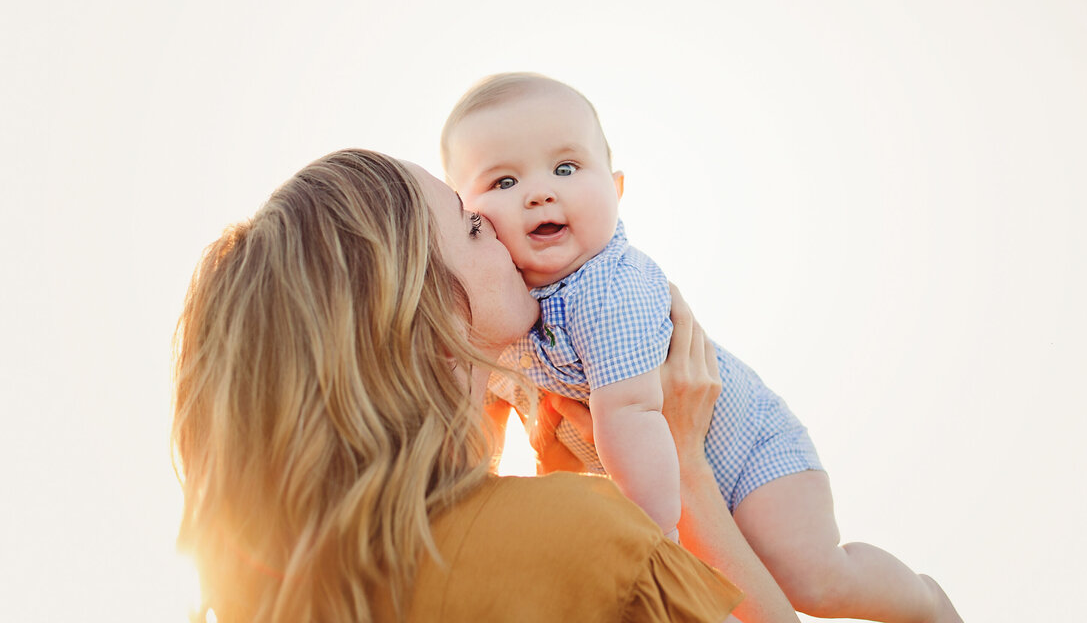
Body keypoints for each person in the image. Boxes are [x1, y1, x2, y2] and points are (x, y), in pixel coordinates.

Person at [171, 148, 797, 623]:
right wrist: (685, 467)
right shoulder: (586, 542)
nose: (499, 227)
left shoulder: (299, 594)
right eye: (470, 226)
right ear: (421, 309)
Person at [440, 74, 963, 623]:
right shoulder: (501, 306)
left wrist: (653, 536)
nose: (540, 192)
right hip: (658, 475)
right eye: (502, 181)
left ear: (616, 190)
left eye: (566, 168)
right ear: (468, 216)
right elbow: (486, 410)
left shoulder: (608, 286)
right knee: (712, 602)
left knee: (811, 577)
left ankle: (924, 603)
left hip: (751, 455)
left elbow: (634, 410)